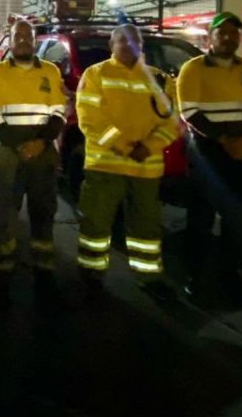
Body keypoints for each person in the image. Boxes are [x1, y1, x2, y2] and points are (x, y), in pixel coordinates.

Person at [176, 11, 242, 310]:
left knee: (239, 220)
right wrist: (225, 142)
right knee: (201, 219)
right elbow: (190, 112)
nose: (229, 39)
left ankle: (236, 280)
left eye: (234, 34)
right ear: (211, 37)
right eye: (223, 33)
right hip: (207, 154)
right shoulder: (193, 69)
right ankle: (196, 278)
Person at [74, 24, 178, 298]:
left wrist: (149, 146)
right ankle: (91, 273)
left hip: (146, 169)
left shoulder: (160, 80)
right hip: (105, 165)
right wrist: (125, 146)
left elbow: (172, 123)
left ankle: (148, 275)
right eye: (122, 40)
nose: (128, 45)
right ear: (111, 44)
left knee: (147, 226)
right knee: (95, 225)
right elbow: (89, 118)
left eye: (134, 41)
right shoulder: (96, 74)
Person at [0, 19, 67, 282]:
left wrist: (40, 142)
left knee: (43, 205)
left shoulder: (50, 72)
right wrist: (18, 144)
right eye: (18, 36)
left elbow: (59, 111)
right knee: (5, 206)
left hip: (41, 145)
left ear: (34, 39)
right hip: (8, 147)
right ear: (9, 39)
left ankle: (42, 253)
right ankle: (4, 256)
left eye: (27, 36)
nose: (22, 40)